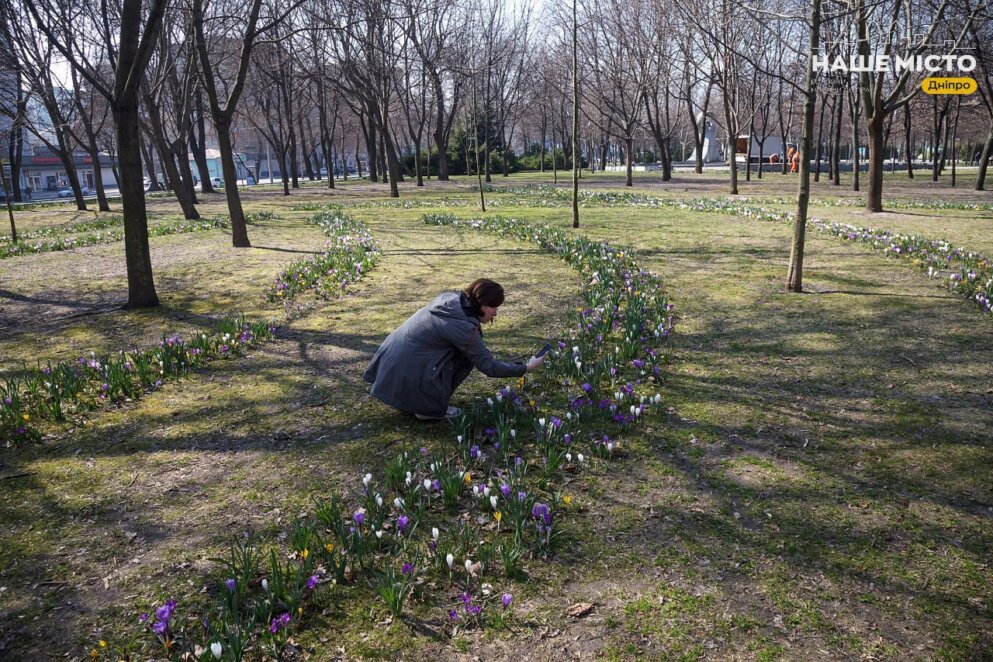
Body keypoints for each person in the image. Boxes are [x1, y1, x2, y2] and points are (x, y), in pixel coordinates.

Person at [363, 278, 545, 420]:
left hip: (390, 367)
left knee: (463, 353)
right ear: (480, 303)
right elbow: (490, 367)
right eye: (493, 307)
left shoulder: (451, 301)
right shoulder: (462, 328)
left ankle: (418, 399)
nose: (495, 313)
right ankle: (429, 409)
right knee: (467, 357)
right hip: (405, 371)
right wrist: (526, 368)